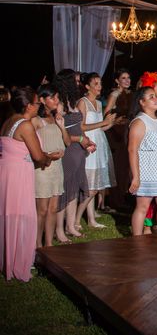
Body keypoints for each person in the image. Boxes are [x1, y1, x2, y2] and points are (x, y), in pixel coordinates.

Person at [1, 88, 58, 281]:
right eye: (36, 103)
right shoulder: (25, 125)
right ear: (28, 106)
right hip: (18, 175)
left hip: (7, 172)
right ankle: (18, 263)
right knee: (21, 214)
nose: (39, 106)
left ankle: (7, 258)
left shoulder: (8, 121)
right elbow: (38, 155)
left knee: (8, 213)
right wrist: (50, 158)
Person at [54, 69, 96, 242]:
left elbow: (79, 127)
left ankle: (70, 226)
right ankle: (59, 230)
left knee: (74, 188)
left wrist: (87, 141)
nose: (78, 83)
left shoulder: (73, 102)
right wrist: (79, 139)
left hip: (79, 149)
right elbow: (58, 134)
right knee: (65, 189)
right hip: (69, 149)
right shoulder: (60, 104)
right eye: (75, 81)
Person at [128, 86, 157, 236]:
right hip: (147, 168)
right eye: (151, 97)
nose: (156, 99)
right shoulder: (139, 122)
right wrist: (136, 176)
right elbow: (132, 150)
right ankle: (136, 238)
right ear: (142, 102)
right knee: (143, 206)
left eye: (156, 96)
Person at [75, 73, 116, 229]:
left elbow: (101, 126)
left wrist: (110, 123)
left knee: (96, 184)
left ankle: (91, 220)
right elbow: (81, 127)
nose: (99, 86)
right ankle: (76, 219)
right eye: (96, 83)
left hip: (99, 142)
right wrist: (102, 122)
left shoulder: (99, 103)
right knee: (91, 187)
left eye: (100, 83)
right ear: (87, 86)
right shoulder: (82, 102)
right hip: (89, 143)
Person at [31, 84, 70, 247]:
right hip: (43, 168)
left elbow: (67, 143)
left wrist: (61, 126)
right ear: (42, 100)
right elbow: (30, 146)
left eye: (57, 97)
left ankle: (49, 244)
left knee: (53, 208)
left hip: (57, 168)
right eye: (52, 97)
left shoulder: (57, 118)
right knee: (41, 210)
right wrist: (47, 155)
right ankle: (36, 245)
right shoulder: (36, 121)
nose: (56, 100)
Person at [104, 68, 133, 211]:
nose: (127, 80)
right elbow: (106, 114)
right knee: (119, 166)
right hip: (116, 133)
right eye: (123, 78)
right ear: (117, 80)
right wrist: (114, 122)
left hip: (127, 131)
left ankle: (123, 196)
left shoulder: (129, 94)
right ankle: (115, 200)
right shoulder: (114, 94)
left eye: (128, 77)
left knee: (126, 166)